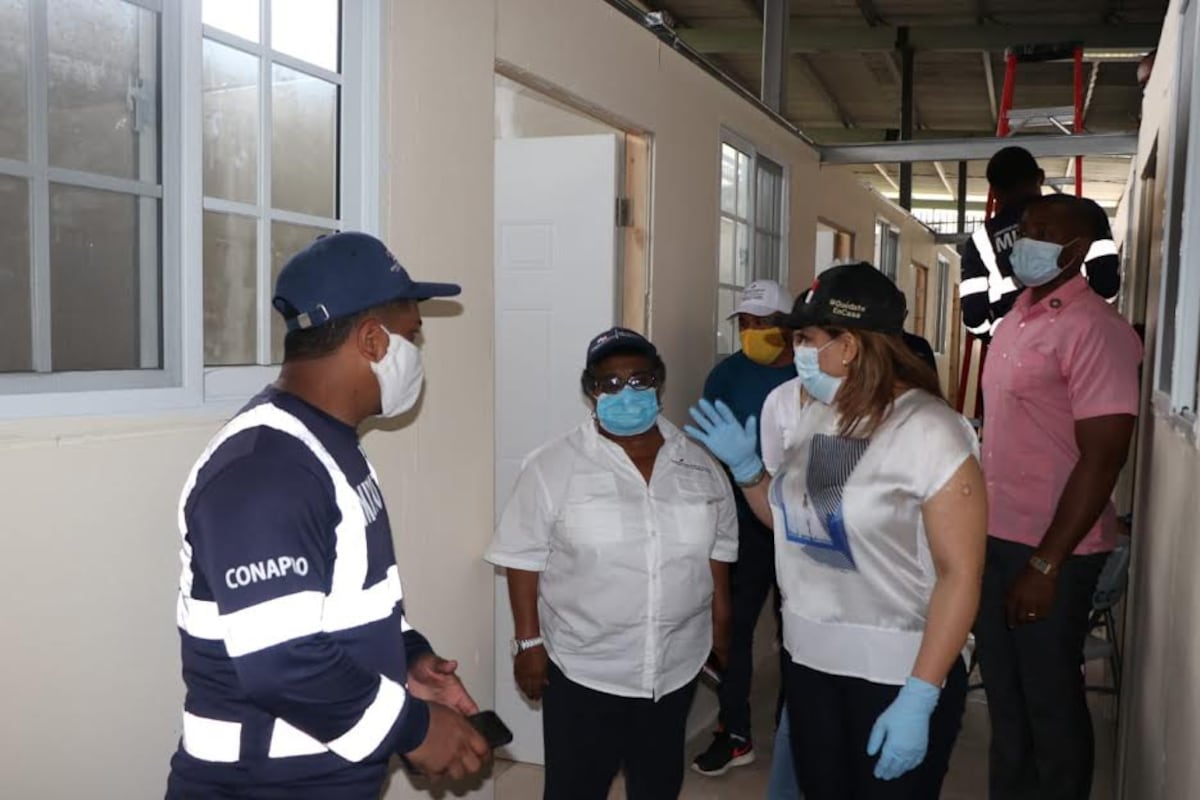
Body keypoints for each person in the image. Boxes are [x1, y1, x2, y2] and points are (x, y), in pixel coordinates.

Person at [167, 232, 491, 798]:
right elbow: (282, 662)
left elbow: (339, 600)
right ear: (373, 340)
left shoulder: (326, 446)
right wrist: (416, 729)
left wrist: (407, 657)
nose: (417, 350)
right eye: (412, 334)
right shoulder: (266, 470)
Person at [686, 262, 988, 800]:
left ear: (848, 346)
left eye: (806, 338)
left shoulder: (931, 430)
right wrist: (749, 472)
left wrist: (921, 693)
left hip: (897, 669)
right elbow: (799, 527)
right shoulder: (821, 415)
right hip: (811, 663)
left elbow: (960, 574)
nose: (796, 350)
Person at [486, 327, 738, 800]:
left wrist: (720, 624)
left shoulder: (698, 464)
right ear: (592, 391)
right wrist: (528, 643)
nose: (627, 393)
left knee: (658, 784)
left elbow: (719, 548)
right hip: (585, 667)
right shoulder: (552, 466)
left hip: (675, 665)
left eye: (640, 380)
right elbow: (522, 556)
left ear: (659, 383)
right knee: (575, 789)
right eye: (611, 383)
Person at [974, 194, 1142, 800]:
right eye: (1026, 227)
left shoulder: (1097, 329)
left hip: (1054, 551)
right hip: (995, 539)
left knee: (1050, 704)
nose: (1026, 239)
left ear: (1076, 250)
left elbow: (1104, 457)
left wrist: (1046, 564)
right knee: (1006, 700)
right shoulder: (1013, 321)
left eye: (1044, 230)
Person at [692, 280, 797, 777]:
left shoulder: (813, 374)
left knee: (797, 626)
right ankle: (734, 733)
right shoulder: (726, 376)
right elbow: (711, 450)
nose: (754, 332)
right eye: (747, 324)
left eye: (765, 323)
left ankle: (794, 729)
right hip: (743, 523)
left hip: (801, 522)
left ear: (789, 327)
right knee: (731, 626)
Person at [959, 146, 1120, 342]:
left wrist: (1001, 339)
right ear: (1040, 177)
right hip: (1079, 340)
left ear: (993, 191)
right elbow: (1107, 286)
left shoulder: (979, 241)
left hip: (1015, 347)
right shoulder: (1084, 214)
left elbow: (974, 317)